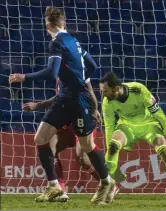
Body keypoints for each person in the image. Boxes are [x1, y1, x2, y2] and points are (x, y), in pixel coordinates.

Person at [9, 6, 115, 205]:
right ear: (64, 23)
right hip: (67, 98)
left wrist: (24, 77)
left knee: (86, 146)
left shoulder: (57, 42)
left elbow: (51, 72)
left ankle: (107, 181)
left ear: (47, 25)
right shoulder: (74, 41)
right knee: (41, 138)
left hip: (76, 100)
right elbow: (92, 66)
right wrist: (78, 79)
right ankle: (54, 186)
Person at [100, 72, 166, 198]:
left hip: (150, 125)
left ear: (116, 88)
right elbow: (109, 127)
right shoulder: (107, 102)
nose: (103, 94)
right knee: (113, 147)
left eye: (105, 91)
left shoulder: (138, 89)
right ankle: (114, 180)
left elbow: (159, 115)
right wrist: (109, 150)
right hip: (127, 127)